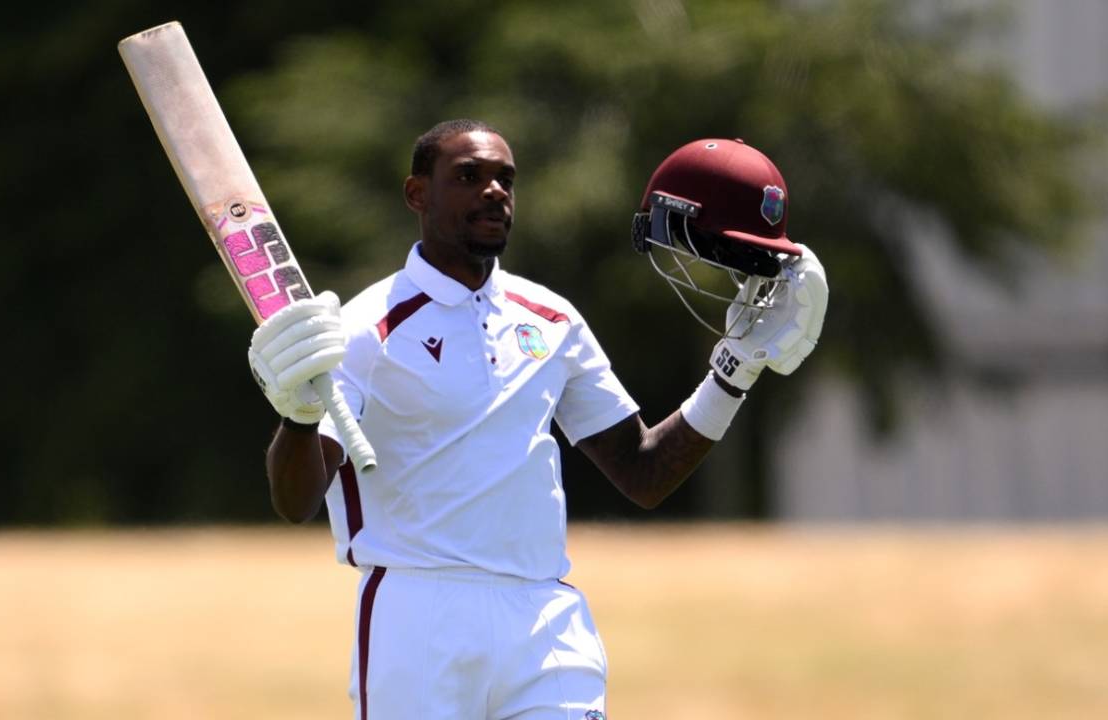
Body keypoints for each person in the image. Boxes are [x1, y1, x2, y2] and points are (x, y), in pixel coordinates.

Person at [247, 120, 827, 719]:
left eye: (506, 179)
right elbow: (297, 501)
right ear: (417, 194)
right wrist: (296, 417)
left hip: (544, 616)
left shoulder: (552, 319)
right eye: (469, 177)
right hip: (418, 616)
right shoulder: (362, 331)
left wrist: (733, 374)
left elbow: (644, 472)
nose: (494, 191)